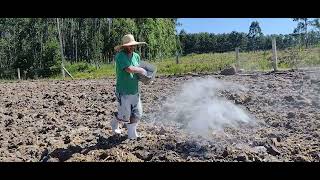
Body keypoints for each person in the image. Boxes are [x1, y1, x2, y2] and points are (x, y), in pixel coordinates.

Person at [111, 34, 147, 140]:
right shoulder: (120, 56)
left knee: (137, 113)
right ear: (124, 46)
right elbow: (129, 69)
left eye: (133, 45)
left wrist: (146, 77)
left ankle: (132, 134)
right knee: (125, 115)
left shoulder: (136, 56)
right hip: (123, 90)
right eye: (129, 46)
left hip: (134, 89)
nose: (131, 47)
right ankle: (114, 122)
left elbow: (137, 71)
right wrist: (141, 70)